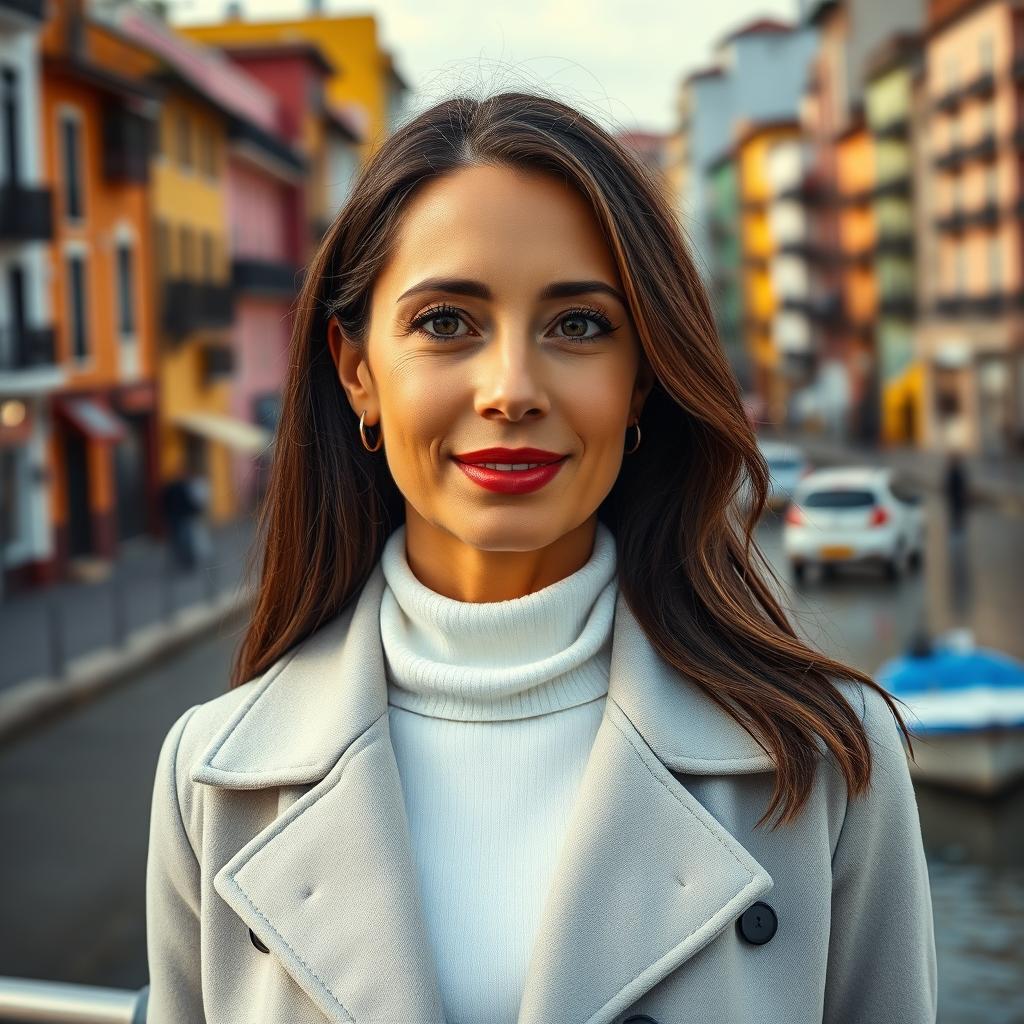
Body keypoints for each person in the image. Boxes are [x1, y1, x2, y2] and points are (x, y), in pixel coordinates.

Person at [145, 92, 937, 1024]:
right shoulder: (212, 780)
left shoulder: (826, 758)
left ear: (641, 378)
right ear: (357, 369)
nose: (512, 390)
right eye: (446, 322)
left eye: (578, 326)